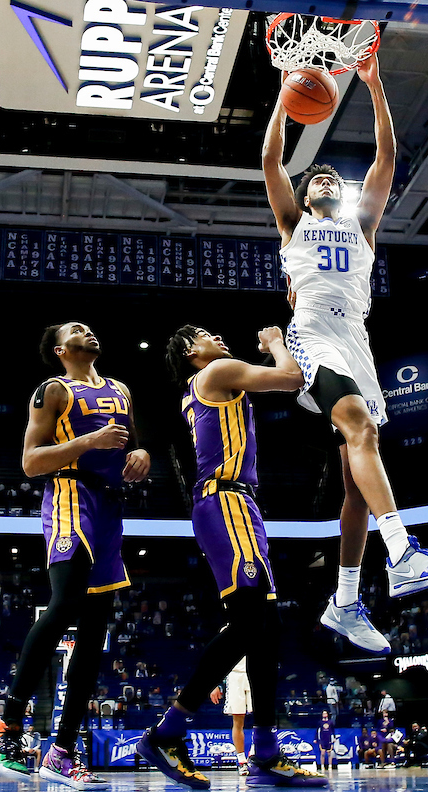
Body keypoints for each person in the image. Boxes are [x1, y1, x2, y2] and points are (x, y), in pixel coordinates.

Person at [263, 54, 428, 654]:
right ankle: (403, 552)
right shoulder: (291, 224)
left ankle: (346, 602)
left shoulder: (363, 225)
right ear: (304, 199)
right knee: (359, 429)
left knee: (358, 484)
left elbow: (386, 159)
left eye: (333, 177)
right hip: (313, 334)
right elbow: (272, 161)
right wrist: (283, 98)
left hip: (357, 340)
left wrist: (376, 85)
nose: (325, 179)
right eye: (317, 179)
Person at [138, 324, 324, 788]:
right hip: (226, 501)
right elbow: (293, 378)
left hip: (234, 504)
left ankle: (264, 751)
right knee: (249, 623)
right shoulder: (218, 371)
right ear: (189, 351)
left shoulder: (207, 384)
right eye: (204, 333)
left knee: (266, 627)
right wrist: (276, 342)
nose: (218, 335)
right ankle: (169, 729)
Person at [0, 322, 147, 790]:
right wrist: (87, 443)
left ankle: (62, 751)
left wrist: (142, 456)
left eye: (92, 328)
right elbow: (31, 462)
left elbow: (132, 445)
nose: (90, 332)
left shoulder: (120, 389)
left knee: (95, 633)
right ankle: (5, 727)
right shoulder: (53, 390)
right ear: (60, 348)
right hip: (71, 497)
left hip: (112, 506)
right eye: (78, 330)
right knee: (66, 603)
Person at [209, 659, 252, 776]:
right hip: (234, 675)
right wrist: (214, 684)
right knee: (238, 721)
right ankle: (242, 761)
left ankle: (255, 757)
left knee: (262, 719)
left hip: (255, 673)